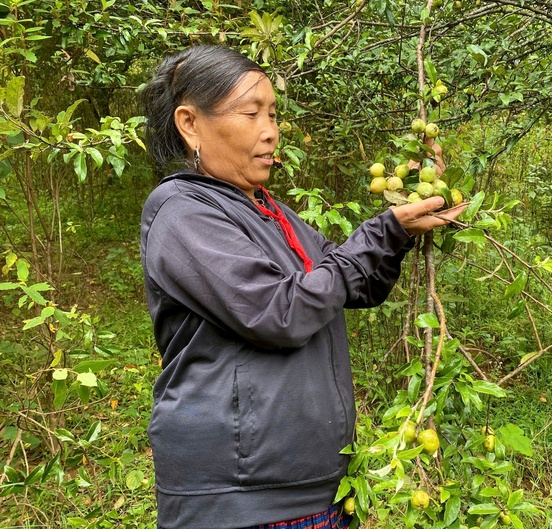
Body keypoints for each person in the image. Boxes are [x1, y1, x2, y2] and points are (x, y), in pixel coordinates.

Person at [139, 45, 464, 529]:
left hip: (319, 488)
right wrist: (383, 231)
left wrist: (403, 226)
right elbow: (279, 312)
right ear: (190, 124)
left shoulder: (268, 211)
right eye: (251, 113)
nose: (270, 130)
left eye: (272, 114)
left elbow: (357, 283)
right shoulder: (183, 212)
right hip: (243, 500)